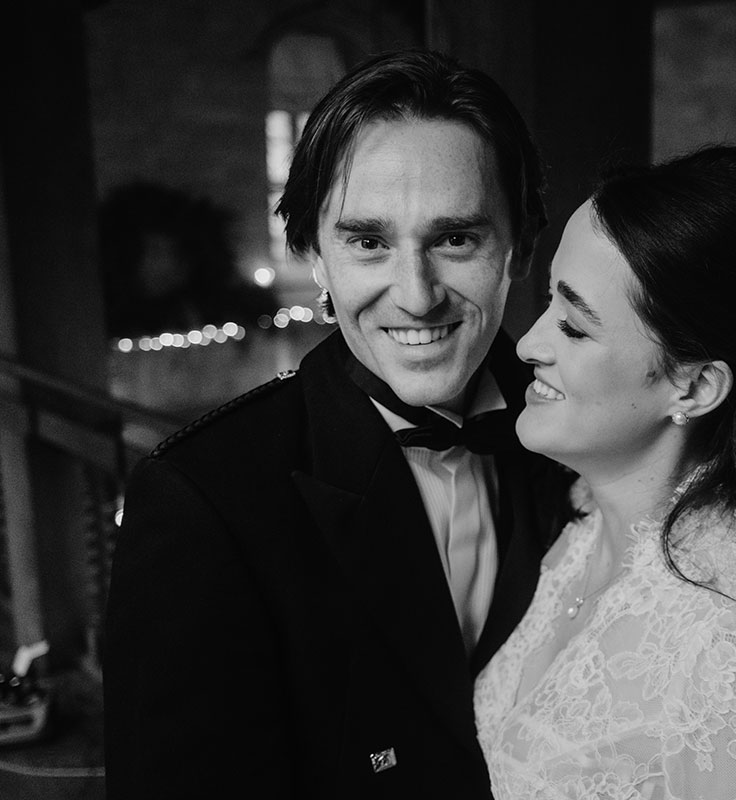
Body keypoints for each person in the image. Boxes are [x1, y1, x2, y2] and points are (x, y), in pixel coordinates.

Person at [104, 49, 570, 798]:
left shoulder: (594, 436)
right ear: (313, 255)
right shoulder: (204, 501)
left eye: (456, 239)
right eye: (368, 242)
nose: (416, 297)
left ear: (520, 248)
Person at [474, 145, 736, 799]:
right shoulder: (567, 517)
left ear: (693, 386)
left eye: (574, 327)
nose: (528, 343)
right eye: (549, 300)